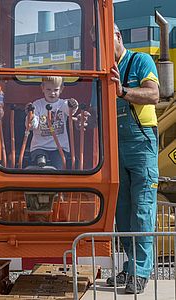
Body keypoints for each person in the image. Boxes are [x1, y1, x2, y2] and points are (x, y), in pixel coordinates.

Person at [106, 23, 160, 294]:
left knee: (142, 209)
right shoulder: (106, 71)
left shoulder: (140, 60)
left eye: (106, 41)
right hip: (116, 146)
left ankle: (140, 271)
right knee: (123, 212)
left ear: (117, 36)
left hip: (141, 143)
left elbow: (153, 94)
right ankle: (130, 266)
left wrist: (123, 92)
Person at [28, 76, 78, 169]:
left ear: (62, 89)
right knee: (39, 157)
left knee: (59, 165)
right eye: (48, 89)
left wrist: (73, 104)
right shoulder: (37, 105)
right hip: (40, 146)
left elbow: (70, 110)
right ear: (42, 88)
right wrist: (30, 117)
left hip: (59, 147)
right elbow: (33, 125)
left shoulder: (63, 104)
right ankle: (41, 162)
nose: (52, 93)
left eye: (56, 89)